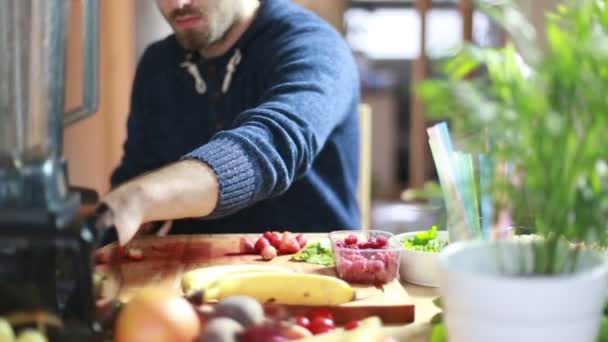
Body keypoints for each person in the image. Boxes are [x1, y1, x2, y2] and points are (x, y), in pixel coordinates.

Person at [100, 0, 361, 246]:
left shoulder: (314, 47)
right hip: (186, 272)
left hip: (310, 270)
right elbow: (138, 168)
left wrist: (138, 199)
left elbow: (274, 143)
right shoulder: (157, 64)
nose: (178, 4)